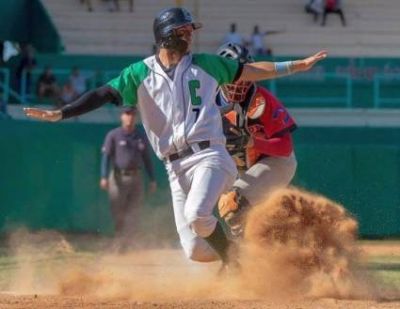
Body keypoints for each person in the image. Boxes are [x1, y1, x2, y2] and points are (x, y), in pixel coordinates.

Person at [24, 7, 327, 271]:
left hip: (210, 155)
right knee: (195, 251)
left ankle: (235, 263)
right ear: (166, 34)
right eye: (184, 30)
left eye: (189, 30)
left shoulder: (206, 64)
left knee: (198, 214)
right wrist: (63, 112)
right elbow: (103, 94)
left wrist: (296, 66)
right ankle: (254, 258)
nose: (190, 36)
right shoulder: (138, 73)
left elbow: (252, 71)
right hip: (173, 166)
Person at [215, 43, 297, 237]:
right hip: (239, 166)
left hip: (273, 161)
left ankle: (242, 259)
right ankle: (263, 255)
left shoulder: (261, 100)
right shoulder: (205, 100)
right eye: (234, 74)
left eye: (244, 74)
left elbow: (285, 147)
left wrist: (251, 142)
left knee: (233, 203)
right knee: (237, 215)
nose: (240, 81)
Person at [100, 106, 157, 251]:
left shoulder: (140, 136)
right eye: (127, 114)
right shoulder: (114, 135)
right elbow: (106, 157)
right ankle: (119, 240)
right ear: (122, 116)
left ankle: (128, 243)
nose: (130, 117)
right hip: (118, 177)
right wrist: (104, 176)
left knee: (133, 212)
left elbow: (147, 159)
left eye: (132, 114)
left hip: (136, 178)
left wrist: (152, 179)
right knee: (118, 211)